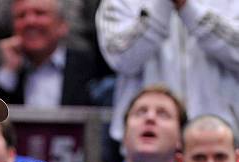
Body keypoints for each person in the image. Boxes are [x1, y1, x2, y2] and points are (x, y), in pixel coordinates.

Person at [96, 0, 239, 143]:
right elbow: (121, 59)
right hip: (144, 145)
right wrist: (164, 5)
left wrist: (188, 9)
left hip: (223, 139)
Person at [0, 0, 96, 106]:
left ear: (62, 25)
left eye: (40, 13)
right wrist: (9, 71)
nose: (30, 21)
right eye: (21, 16)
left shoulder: (91, 68)